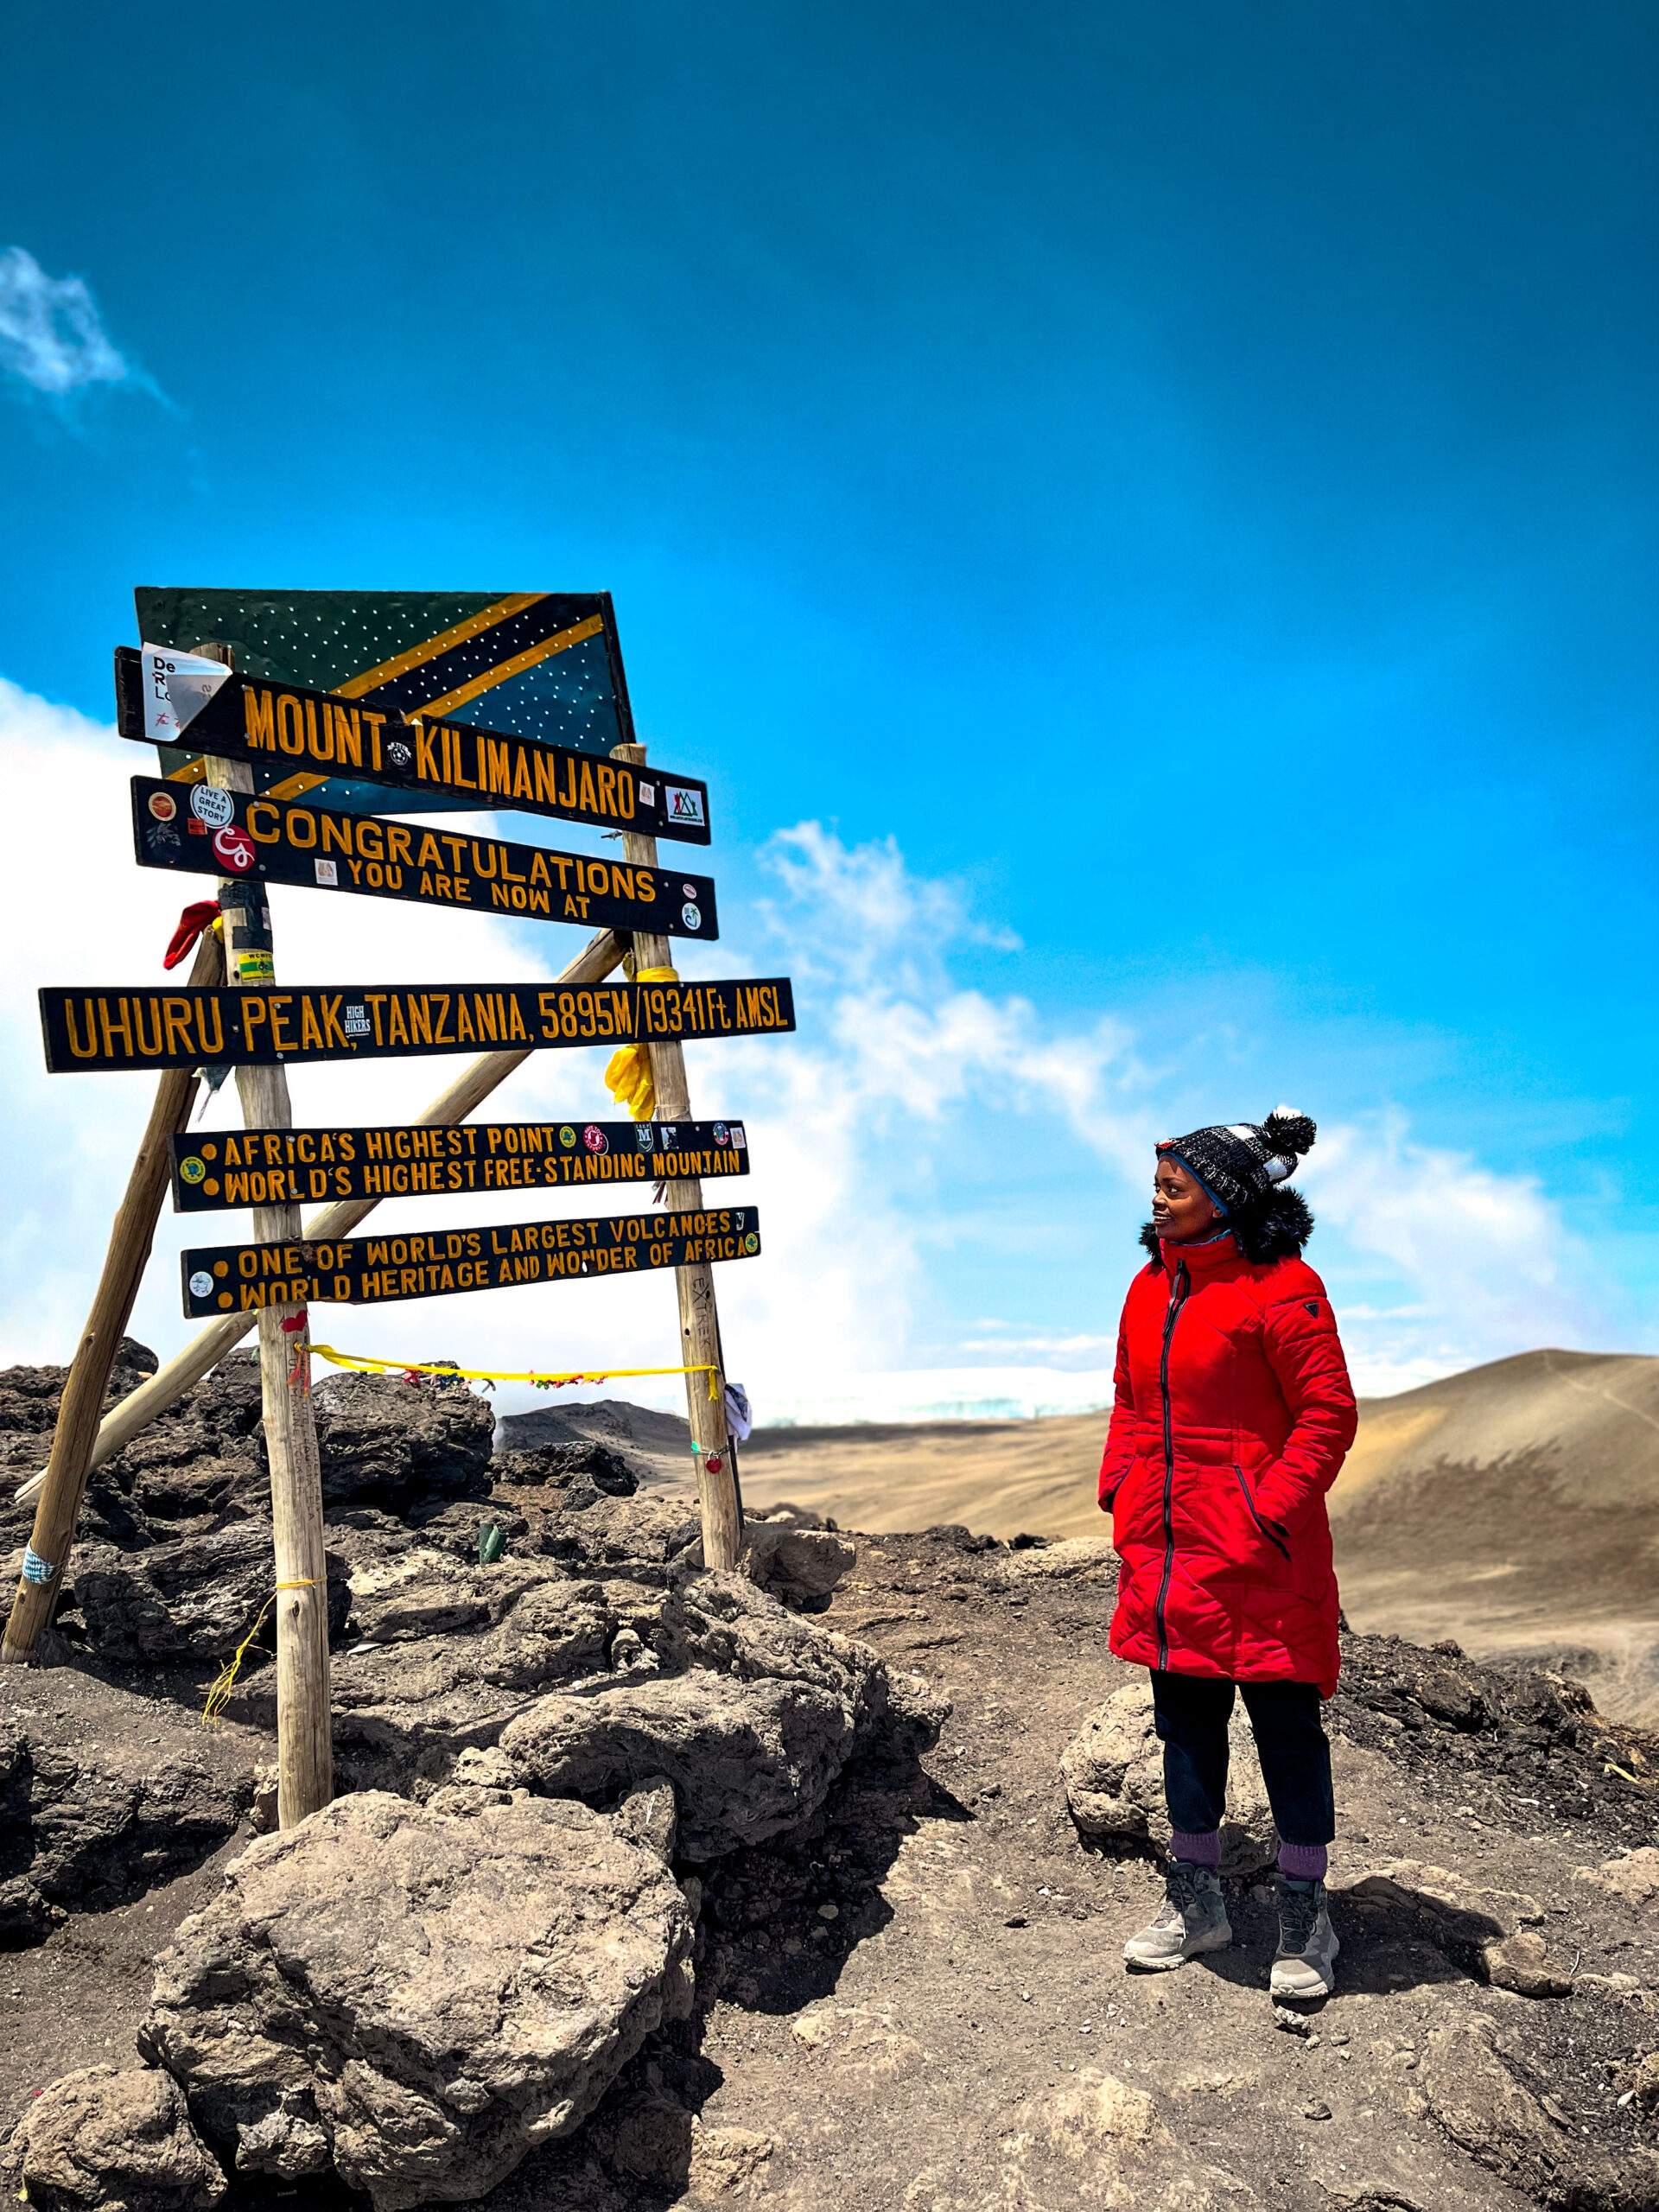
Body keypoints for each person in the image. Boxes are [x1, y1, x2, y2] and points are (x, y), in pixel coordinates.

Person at [1097, 1108, 1357, 1998]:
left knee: (1288, 1735)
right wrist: (1120, 1486)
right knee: (1186, 1729)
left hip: (1260, 1556)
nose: (1157, 1198)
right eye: (1159, 1184)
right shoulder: (1149, 1286)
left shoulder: (1285, 1287)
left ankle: (1304, 1912)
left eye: (1174, 1186)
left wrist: (1264, 1515)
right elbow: (1131, 1401)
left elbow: (1328, 1419)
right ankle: (1197, 1901)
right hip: (1171, 1552)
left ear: (1223, 1197)